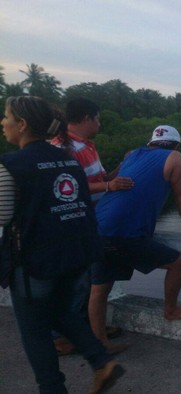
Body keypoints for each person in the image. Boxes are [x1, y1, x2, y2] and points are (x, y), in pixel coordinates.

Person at [0, 96, 124, 394]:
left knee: (35, 332)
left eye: (6, 116)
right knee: (59, 311)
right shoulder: (67, 158)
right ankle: (101, 361)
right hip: (78, 252)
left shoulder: (12, 164)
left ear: (23, 124)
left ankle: (53, 389)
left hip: (37, 261)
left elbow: (3, 215)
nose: (3, 123)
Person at [88, 125, 181, 350]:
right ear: (176, 144)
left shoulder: (131, 154)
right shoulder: (175, 157)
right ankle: (171, 310)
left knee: (99, 289)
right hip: (123, 232)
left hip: (97, 227)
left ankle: (99, 345)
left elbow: (110, 178)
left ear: (151, 142)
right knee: (177, 263)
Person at [50, 97, 133, 355]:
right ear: (86, 118)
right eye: (97, 119)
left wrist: (123, 165)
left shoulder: (87, 146)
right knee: (75, 282)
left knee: (89, 279)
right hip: (73, 224)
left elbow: (102, 178)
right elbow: (64, 187)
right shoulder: (62, 148)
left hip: (92, 223)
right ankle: (61, 337)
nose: (99, 123)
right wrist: (109, 186)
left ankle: (87, 327)